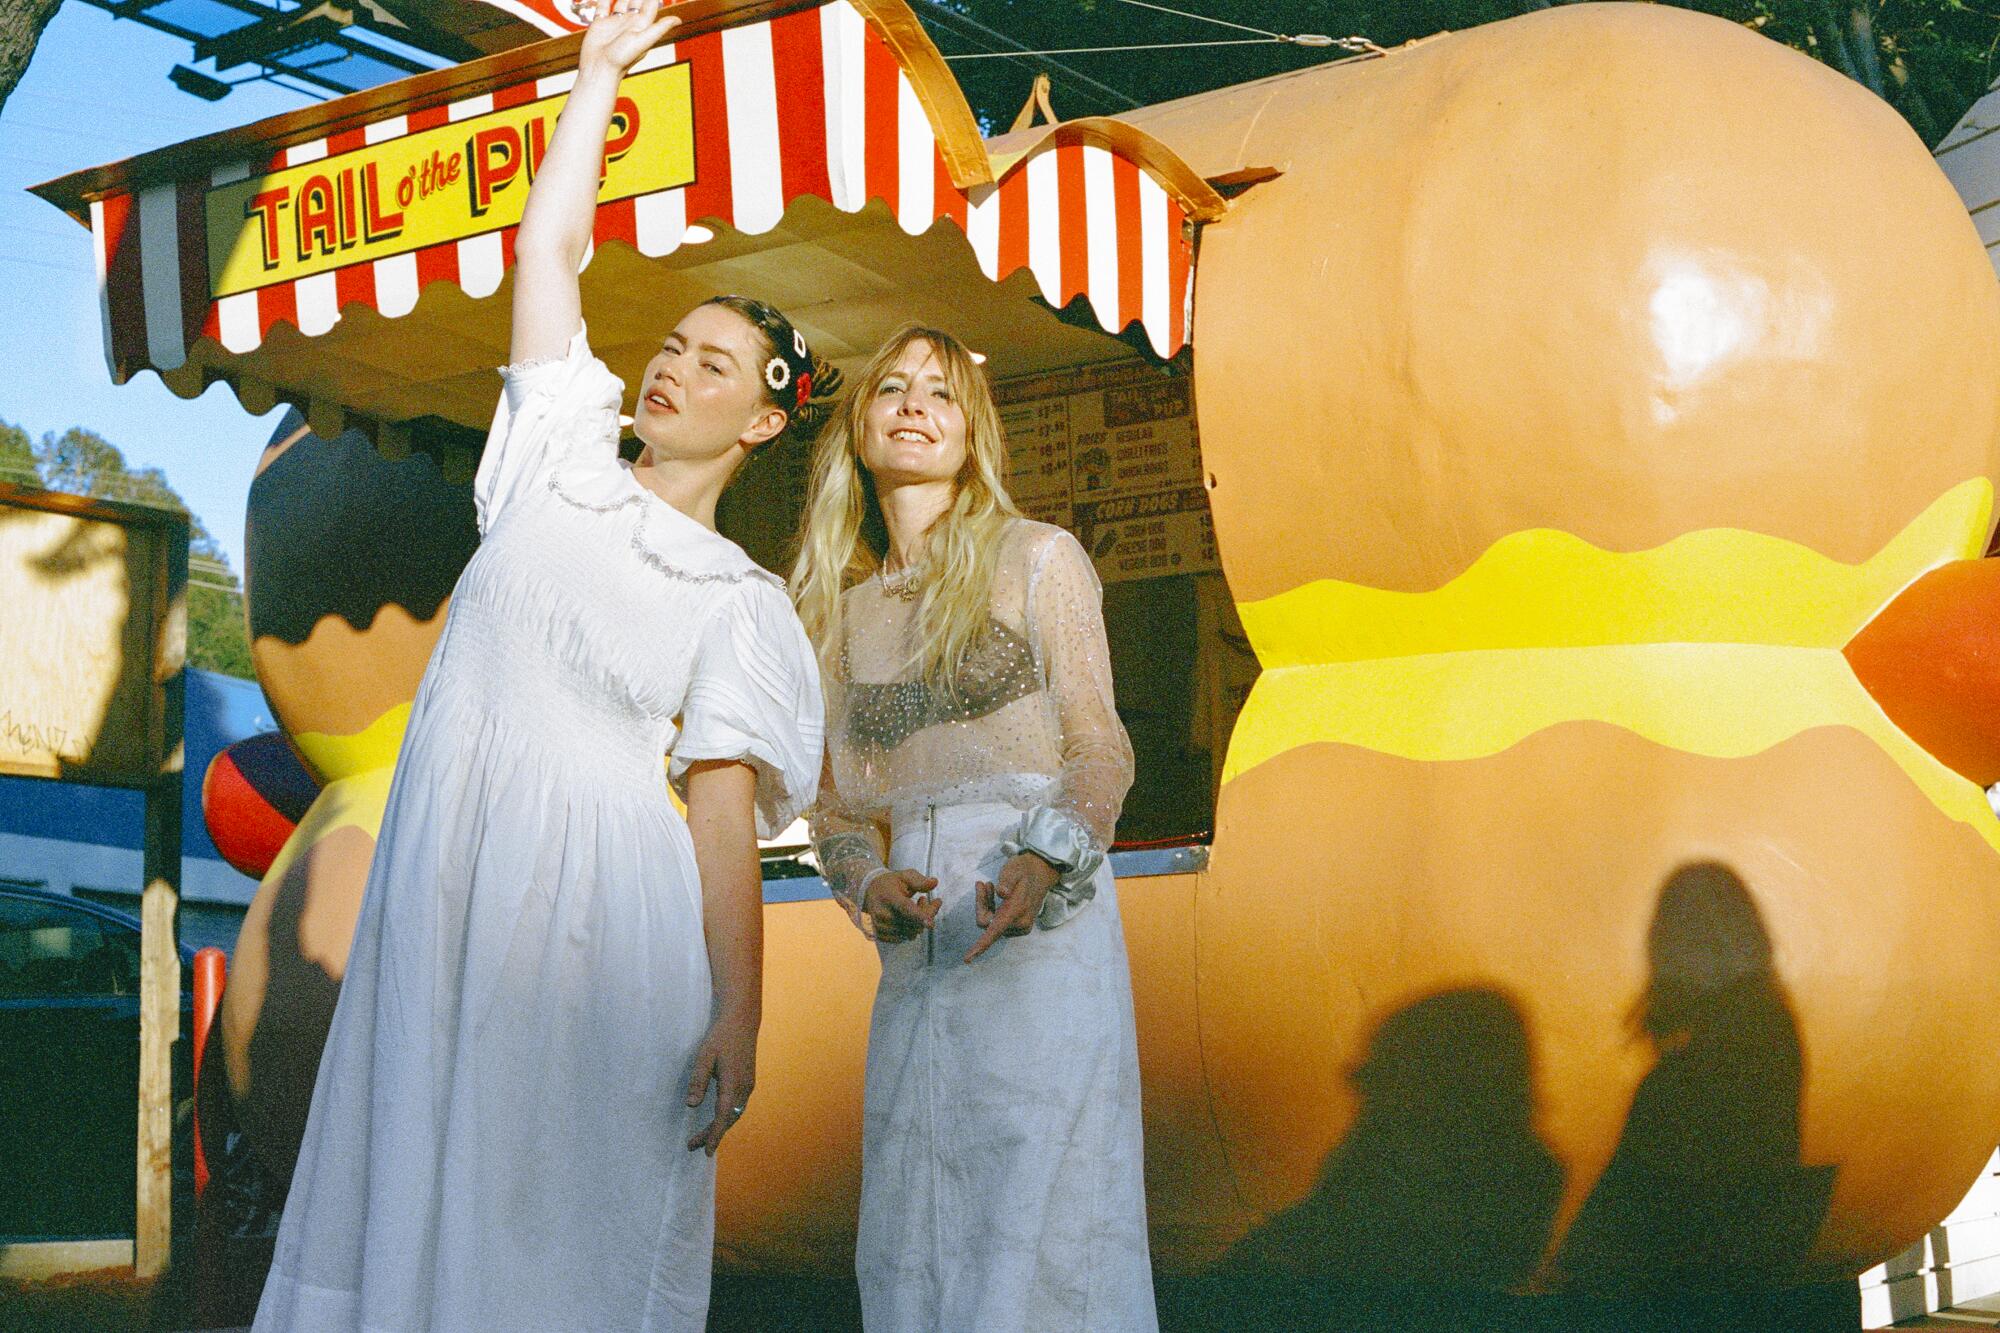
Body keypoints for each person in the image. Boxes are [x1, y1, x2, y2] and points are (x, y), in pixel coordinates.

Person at [253, 4, 830, 1328]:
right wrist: (598, 76)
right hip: (450, 877)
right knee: (412, 1187)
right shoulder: (552, 457)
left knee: (556, 1221)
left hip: (600, 921)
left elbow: (727, 819)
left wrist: (740, 1018)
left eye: (716, 361)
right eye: (674, 346)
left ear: (764, 415)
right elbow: (546, 247)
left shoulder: (738, 602)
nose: (677, 368)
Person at [794, 327, 1157, 1331]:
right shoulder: (838, 608)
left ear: (971, 432)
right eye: (894, 389)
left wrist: (1044, 858)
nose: (915, 405)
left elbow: (1098, 748)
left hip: (1040, 909)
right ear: (860, 428)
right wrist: (866, 880)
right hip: (917, 938)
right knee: (915, 1199)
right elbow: (834, 808)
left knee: (1042, 1186)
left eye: (942, 395)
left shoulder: (1039, 557)